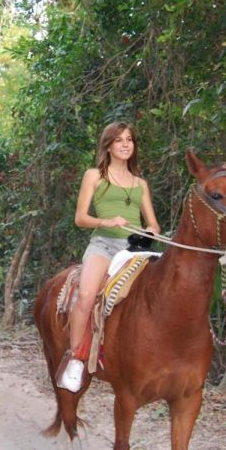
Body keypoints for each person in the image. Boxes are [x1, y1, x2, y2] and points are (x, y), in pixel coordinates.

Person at [57, 122, 161, 393]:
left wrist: (149, 232)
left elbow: (153, 223)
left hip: (134, 247)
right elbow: (80, 218)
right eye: (119, 140)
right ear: (108, 146)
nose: (126, 144)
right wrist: (107, 221)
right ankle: (76, 359)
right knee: (87, 294)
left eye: (129, 140)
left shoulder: (140, 184)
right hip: (103, 244)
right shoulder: (94, 176)